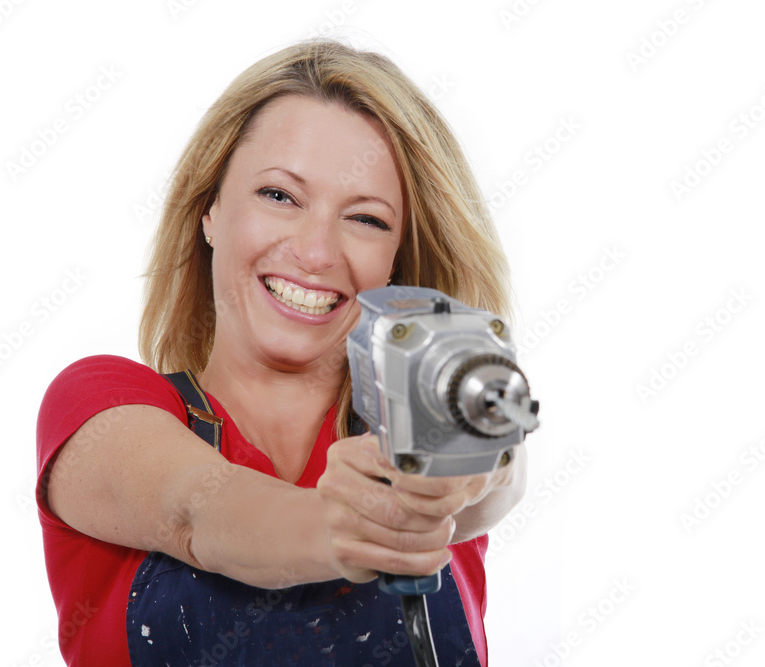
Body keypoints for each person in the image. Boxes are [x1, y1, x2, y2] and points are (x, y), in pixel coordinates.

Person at [35, 39, 526, 666]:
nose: (316, 251)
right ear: (209, 209)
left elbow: (494, 479)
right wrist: (340, 528)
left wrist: (472, 461)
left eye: (367, 219)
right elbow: (195, 510)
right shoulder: (103, 404)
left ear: (397, 262)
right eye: (279, 195)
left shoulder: (422, 428)